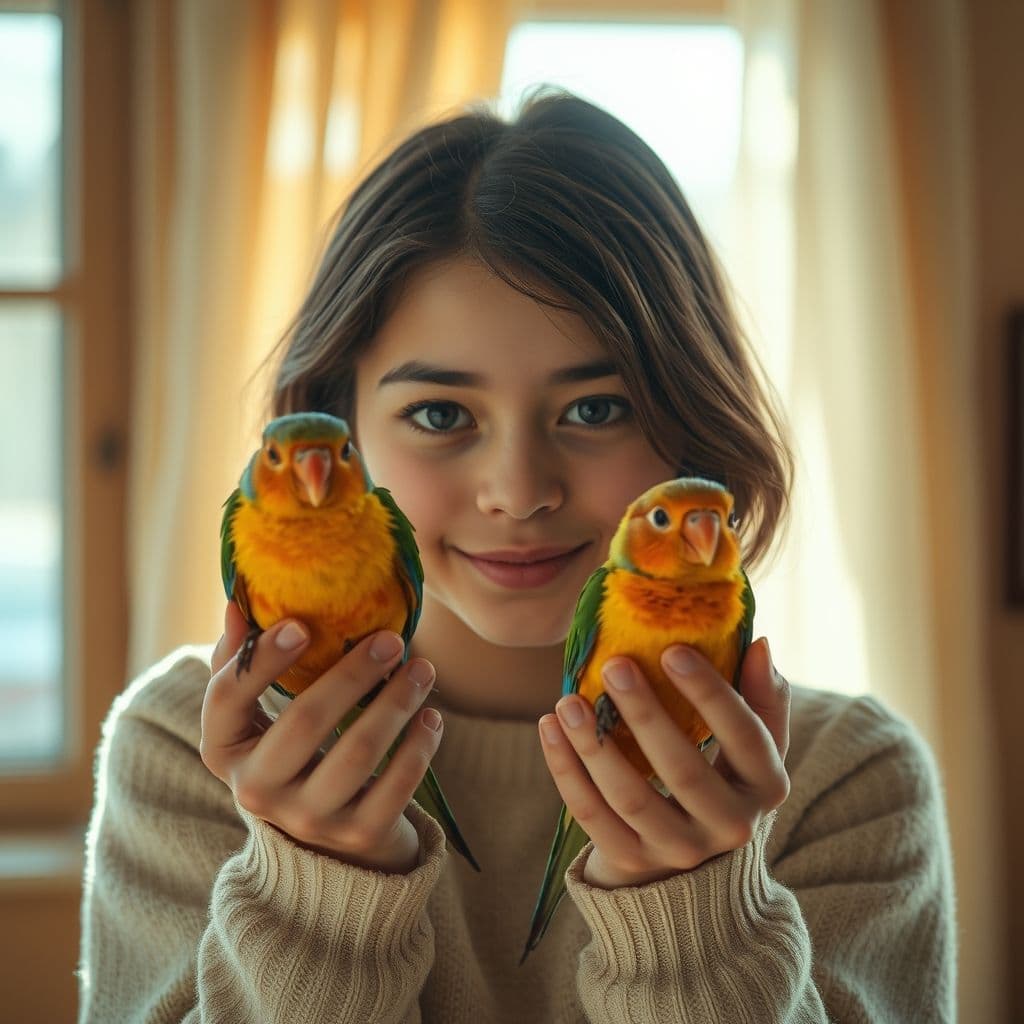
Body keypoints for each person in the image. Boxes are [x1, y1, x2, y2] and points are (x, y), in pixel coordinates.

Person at [77, 92, 956, 1023]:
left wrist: (695, 924)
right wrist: (314, 898)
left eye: (596, 409)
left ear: (691, 430)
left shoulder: (846, 783)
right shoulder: (192, 753)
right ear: (344, 439)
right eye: (440, 415)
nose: (518, 488)